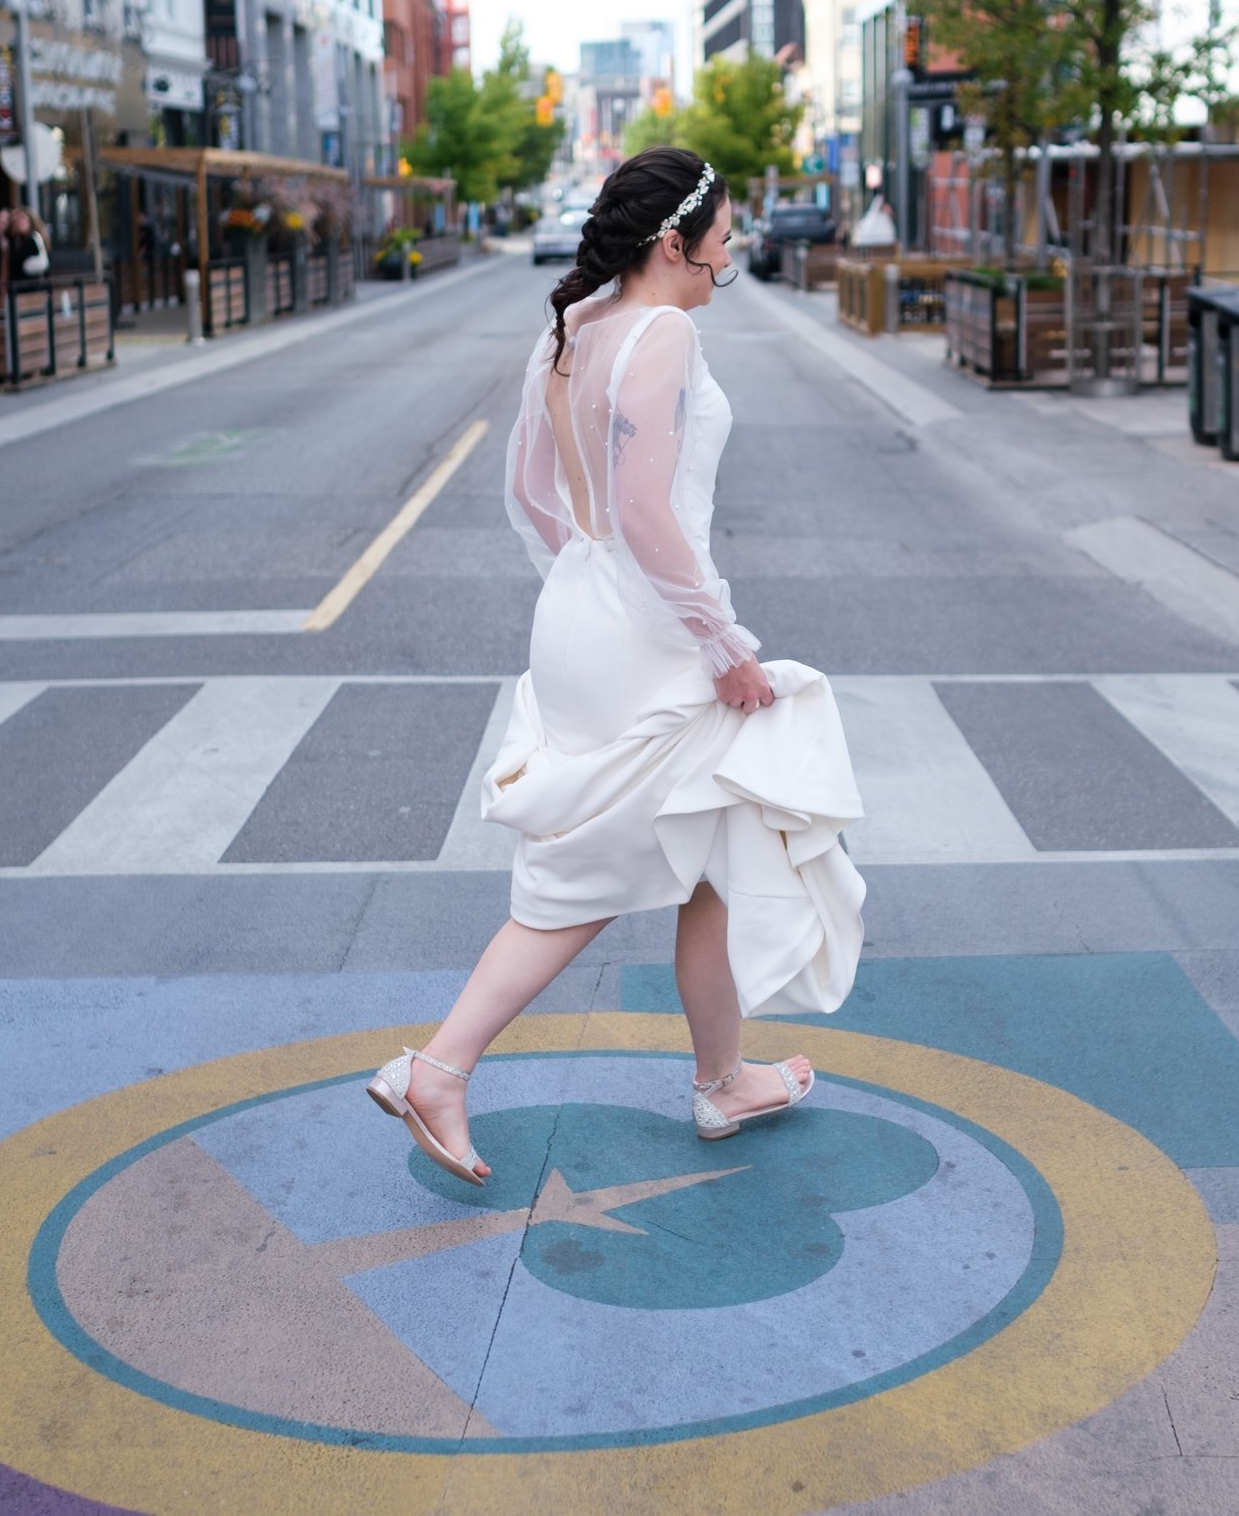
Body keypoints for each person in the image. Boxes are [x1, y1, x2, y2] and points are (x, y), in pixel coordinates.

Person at [366, 145, 867, 1184]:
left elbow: (535, 492)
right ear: (673, 242)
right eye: (721, 241)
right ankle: (441, 1066)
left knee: (703, 841)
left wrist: (587, 586)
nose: (727, 259)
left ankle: (719, 1076)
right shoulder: (662, 331)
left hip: (586, 611)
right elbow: (644, 508)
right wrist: (719, 641)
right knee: (601, 866)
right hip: (648, 627)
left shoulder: (570, 328)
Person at [5, 206, 51, 282]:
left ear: (30, 221)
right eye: (17, 219)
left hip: (31, 287)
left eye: (22, 218)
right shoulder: (14, 240)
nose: (19, 222)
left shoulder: (32, 239)